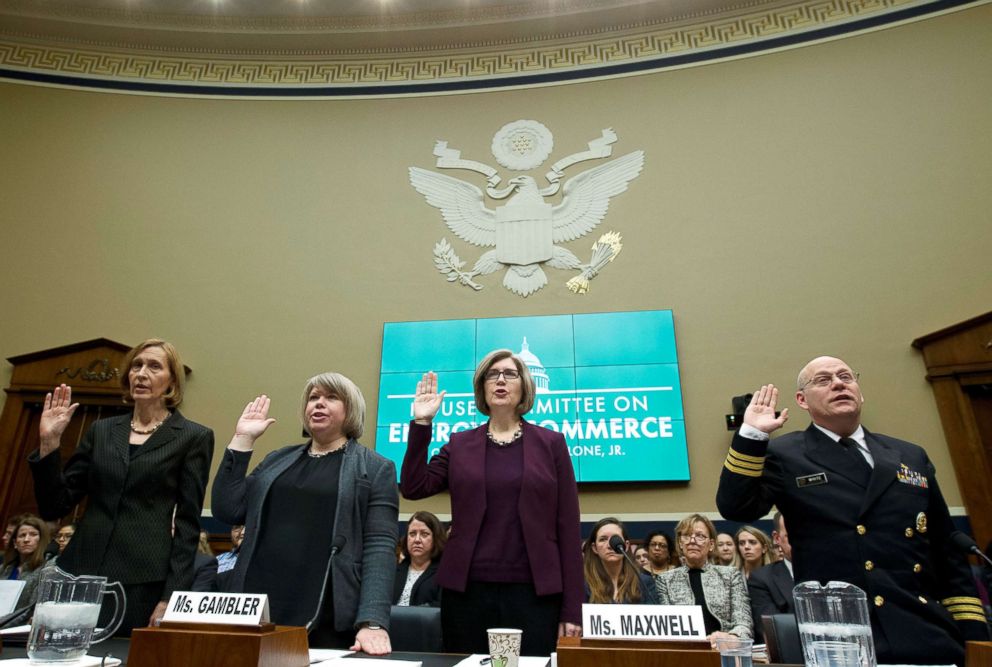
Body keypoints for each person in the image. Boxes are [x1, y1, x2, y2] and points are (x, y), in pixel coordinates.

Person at [716, 356, 990, 665]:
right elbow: (736, 507)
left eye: (846, 376)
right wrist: (752, 435)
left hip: (924, 630)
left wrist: (974, 636)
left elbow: (946, 549)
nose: (837, 383)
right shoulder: (787, 454)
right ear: (802, 400)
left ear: (860, 393)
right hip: (841, 636)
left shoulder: (909, 456)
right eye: (823, 380)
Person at [400, 351, 583, 656]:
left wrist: (572, 611)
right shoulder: (460, 445)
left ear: (524, 385)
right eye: (491, 374)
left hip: (535, 594)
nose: (500, 380)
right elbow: (414, 487)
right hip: (467, 593)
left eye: (509, 374)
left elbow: (567, 527)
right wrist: (421, 423)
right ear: (482, 387)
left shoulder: (551, 444)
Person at [29, 339, 215, 633]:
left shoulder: (193, 437)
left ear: (172, 382)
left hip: (141, 578)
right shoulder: (102, 430)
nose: (141, 373)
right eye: (136, 366)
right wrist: (49, 443)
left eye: (154, 367)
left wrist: (171, 596)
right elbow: (56, 505)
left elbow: (188, 523)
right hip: (80, 571)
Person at [211, 374, 398, 655]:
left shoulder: (374, 468)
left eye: (331, 397)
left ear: (351, 410)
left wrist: (373, 622)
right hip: (259, 605)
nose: (319, 404)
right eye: (313, 398)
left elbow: (380, 546)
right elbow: (229, 508)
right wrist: (243, 439)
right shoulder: (277, 460)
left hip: (325, 610)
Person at [655, 513, 752, 646]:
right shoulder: (665, 580)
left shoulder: (730, 575)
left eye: (700, 536)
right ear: (680, 543)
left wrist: (730, 637)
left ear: (711, 545)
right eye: (687, 535)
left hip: (725, 649)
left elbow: (744, 623)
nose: (693, 540)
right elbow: (666, 627)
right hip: (684, 651)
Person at [583, 518, 659, 604]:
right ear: (595, 548)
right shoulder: (583, 585)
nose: (610, 545)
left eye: (616, 539)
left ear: (626, 546)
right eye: (603, 539)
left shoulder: (645, 583)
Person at [747, 512, 795, 643]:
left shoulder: (831, 572)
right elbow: (772, 630)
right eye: (792, 535)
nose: (800, 541)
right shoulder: (762, 578)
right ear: (777, 538)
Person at [0, 515, 54, 609]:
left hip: (18, 622)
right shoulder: (4, 568)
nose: (26, 540)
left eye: (33, 534)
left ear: (41, 540)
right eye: (22, 535)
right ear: (15, 543)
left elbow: (30, 610)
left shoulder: (47, 568)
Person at [393, 511, 445, 607]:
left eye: (424, 534)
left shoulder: (444, 573)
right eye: (412, 534)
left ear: (435, 538)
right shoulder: (394, 571)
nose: (417, 540)